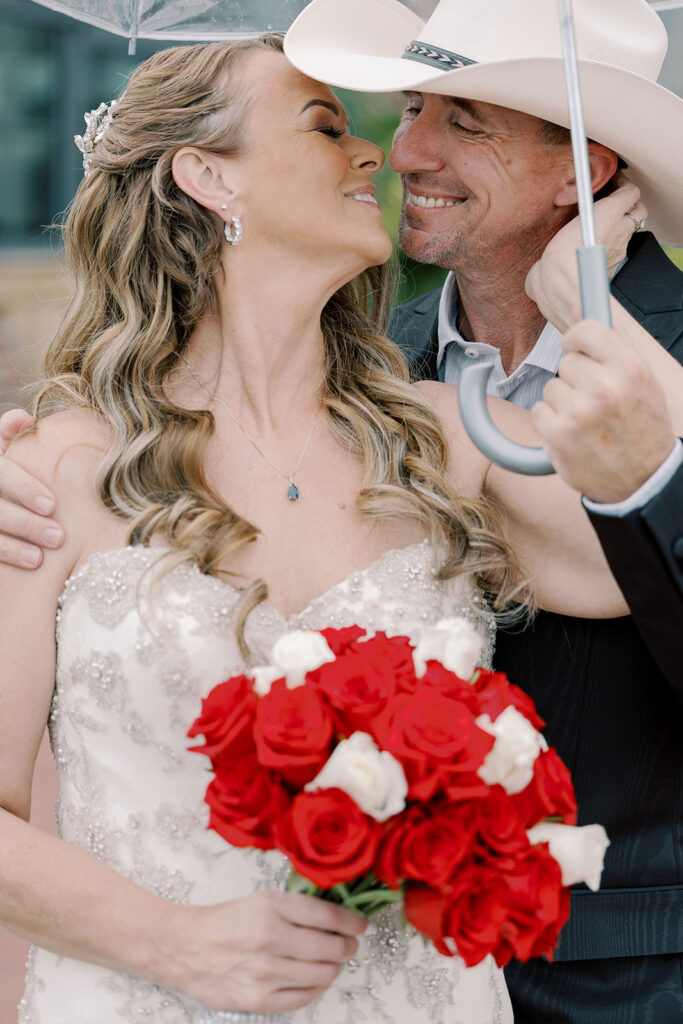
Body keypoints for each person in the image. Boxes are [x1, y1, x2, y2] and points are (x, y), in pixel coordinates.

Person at [5, 32, 668, 1024]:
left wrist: (593, 307)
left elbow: (648, 539)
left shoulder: (444, 435)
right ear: (204, 177)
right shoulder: (50, 470)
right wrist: (174, 942)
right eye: (328, 125)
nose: (380, 154)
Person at [280, 0, 683, 1020]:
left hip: (628, 974)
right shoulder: (355, 359)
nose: (404, 148)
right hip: (370, 960)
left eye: (463, 122)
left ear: (578, 172)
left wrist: (646, 478)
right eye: (414, 107)